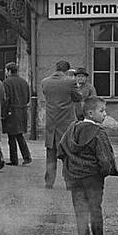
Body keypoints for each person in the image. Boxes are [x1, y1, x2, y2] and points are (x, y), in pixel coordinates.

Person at [58, 96, 118, 235]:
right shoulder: (99, 133)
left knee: (80, 212)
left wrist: (71, 167)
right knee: (95, 211)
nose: (105, 114)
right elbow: (106, 159)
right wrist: (104, 172)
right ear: (91, 113)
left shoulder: (72, 129)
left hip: (74, 177)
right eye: (102, 111)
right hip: (93, 179)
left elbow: (60, 151)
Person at [41, 60, 82, 188]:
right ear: (67, 70)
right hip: (66, 124)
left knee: (51, 155)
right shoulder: (70, 82)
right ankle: (69, 183)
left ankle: (49, 182)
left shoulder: (45, 82)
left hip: (51, 123)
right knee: (68, 155)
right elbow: (78, 98)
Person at [3, 62, 32, 166]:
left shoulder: (7, 82)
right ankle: (26, 156)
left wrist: (4, 112)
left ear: (9, 71)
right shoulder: (24, 82)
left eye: (6, 70)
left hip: (12, 111)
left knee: (12, 136)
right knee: (19, 135)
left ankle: (14, 158)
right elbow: (28, 98)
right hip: (22, 110)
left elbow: (6, 99)